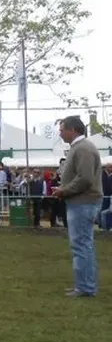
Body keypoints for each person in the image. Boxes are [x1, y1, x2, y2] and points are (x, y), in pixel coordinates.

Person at [52, 116, 102, 297]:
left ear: (73, 129)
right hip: (80, 201)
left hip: (83, 202)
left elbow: (85, 179)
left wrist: (64, 191)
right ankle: (84, 285)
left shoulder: (83, 149)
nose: (60, 132)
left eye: (62, 129)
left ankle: (85, 287)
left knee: (81, 245)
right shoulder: (79, 148)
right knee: (83, 245)